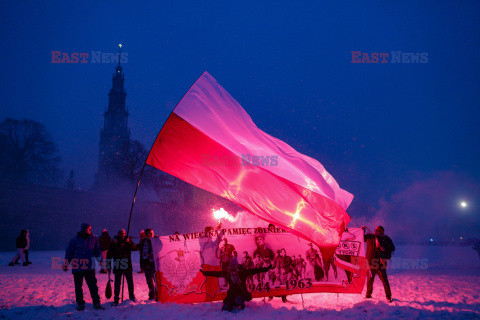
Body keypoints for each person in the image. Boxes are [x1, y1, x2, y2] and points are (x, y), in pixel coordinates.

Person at [63, 223, 104, 311]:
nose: (90, 230)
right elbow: (69, 252)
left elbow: (98, 251)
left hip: (89, 267)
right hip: (77, 267)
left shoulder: (94, 239)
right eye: (88, 228)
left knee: (93, 285)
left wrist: (100, 261)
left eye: (90, 228)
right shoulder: (75, 240)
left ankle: (96, 303)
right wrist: (66, 263)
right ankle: (80, 304)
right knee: (78, 287)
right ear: (83, 229)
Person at [200, 263, 272, 312]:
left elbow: (255, 270)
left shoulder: (243, 273)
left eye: (235, 266)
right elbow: (216, 274)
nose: (233, 268)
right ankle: (233, 303)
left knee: (238, 302)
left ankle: (240, 303)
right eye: (232, 267)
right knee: (225, 309)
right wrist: (205, 273)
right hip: (232, 294)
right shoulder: (228, 274)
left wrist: (266, 269)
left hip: (241, 293)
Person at [364, 225, 395, 303]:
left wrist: (384, 248)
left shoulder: (386, 239)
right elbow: (361, 237)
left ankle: (388, 296)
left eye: (377, 230)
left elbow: (392, 248)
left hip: (380, 263)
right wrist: (362, 230)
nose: (375, 231)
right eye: (375, 230)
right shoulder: (370, 237)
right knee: (370, 280)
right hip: (370, 262)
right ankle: (368, 295)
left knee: (384, 280)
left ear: (381, 232)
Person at [107, 229, 137, 305]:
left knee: (130, 282)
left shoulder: (127, 242)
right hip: (118, 264)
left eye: (123, 233)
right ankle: (116, 299)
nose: (122, 235)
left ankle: (132, 297)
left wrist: (129, 242)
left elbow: (134, 248)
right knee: (117, 283)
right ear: (118, 234)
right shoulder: (114, 242)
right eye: (120, 233)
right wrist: (108, 265)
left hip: (127, 265)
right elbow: (109, 254)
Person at [138, 228, 156, 300]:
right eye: (148, 234)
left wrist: (159, 239)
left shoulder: (156, 241)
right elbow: (136, 248)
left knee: (157, 282)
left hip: (155, 265)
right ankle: (152, 296)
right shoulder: (143, 242)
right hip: (146, 264)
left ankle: (158, 295)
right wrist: (128, 241)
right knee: (149, 282)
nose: (149, 235)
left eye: (150, 234)